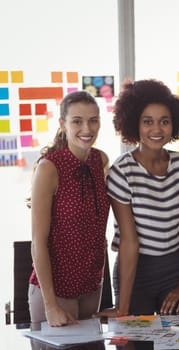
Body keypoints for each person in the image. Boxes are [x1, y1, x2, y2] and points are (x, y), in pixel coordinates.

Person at [96, 79, 179, 317]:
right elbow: (130, 243)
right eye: (147, 122)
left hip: (176, 270)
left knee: (175, 342)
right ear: (134, 125)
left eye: (164, 122)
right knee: (135, 342)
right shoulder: (123, 172)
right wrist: (123, 307)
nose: (157, 129)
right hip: (136, 273)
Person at [28, 90, 110, 327]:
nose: (87, 129)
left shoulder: (100, 161)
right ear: (63, 124)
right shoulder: (49, 168)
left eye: (93, 120)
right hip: (56, 292)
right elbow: (37, 243)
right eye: (77, 121)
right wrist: (50, 305)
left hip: (92, 287)